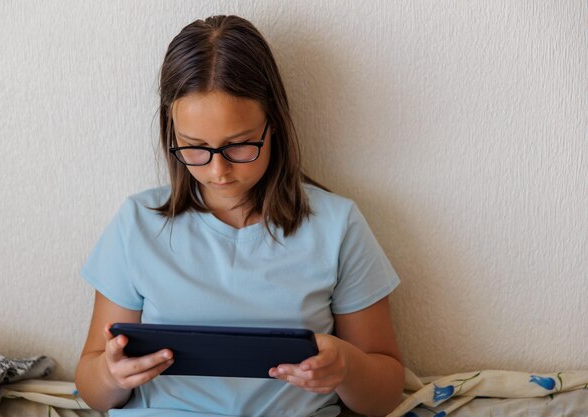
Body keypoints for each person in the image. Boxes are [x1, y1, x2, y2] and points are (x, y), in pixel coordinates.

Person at [75, 14, 404, 417]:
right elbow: (92, 387)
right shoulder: (137, 223)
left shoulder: (337, 226)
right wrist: (111, 375)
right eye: (195, 147)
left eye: (239, 145)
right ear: (170, 132)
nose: (218, 171)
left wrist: (346, 367)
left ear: (274, 126)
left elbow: (386, 394)